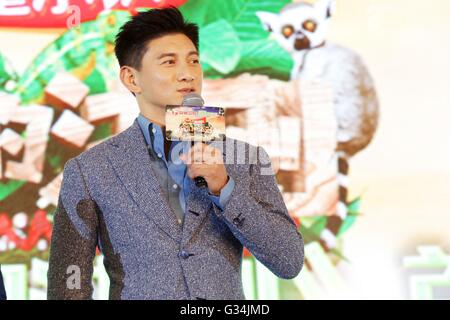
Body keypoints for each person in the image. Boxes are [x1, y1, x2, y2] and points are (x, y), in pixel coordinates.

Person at [47, 7, 304, 300]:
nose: (187, 74)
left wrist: (225, 189)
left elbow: (289, 260)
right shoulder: (90, 170)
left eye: (193, 61)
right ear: (132, 79)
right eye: (169, 62)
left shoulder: (246, 159)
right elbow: (67, 283)